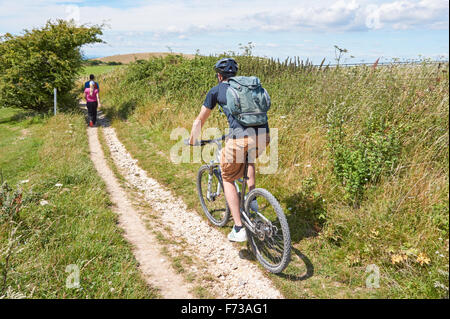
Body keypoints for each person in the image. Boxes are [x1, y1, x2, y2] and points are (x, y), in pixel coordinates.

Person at [188, 58, 270, 242]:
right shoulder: (247, 87)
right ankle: (252, 199)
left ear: (219, 75)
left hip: (240, 138)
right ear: (235, 75)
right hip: (264, 136)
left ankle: (239, 228)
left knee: (228, 177)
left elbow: (200, 120)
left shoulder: (216, 91)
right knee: (248, 158)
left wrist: (193, 141)